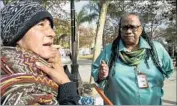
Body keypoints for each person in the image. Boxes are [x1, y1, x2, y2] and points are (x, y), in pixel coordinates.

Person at [0, 1, 80, 105]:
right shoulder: (19, 92)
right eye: (41, 24)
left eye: (50, 26)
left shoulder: (44, 71)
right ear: (17, 36)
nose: (52, 33)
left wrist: (60, 69)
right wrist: (66, 86)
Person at [91, 13, 174, 105]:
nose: (128, 31)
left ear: (140, 29)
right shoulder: (109, 50)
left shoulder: (156, 49)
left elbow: (169, 70)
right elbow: (95, 72)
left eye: (133, 27)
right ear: (120, 30)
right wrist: (101, 75)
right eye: (125, 27)